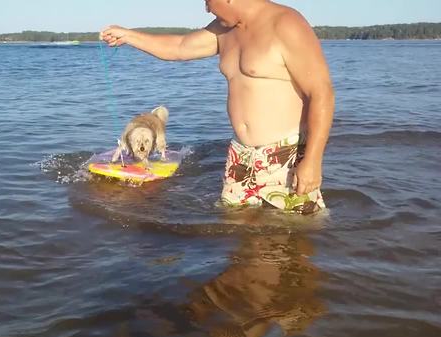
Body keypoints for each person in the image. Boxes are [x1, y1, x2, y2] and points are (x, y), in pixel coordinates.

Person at [100, 0, 335, 214]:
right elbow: (180, 47)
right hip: (240, 156)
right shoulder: (225, 30)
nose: (206, 8)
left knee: (296, 240)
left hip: (286, 156)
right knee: (238, 238)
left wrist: (313, 161)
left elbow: (321, 92)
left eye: (207, 1)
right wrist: (128, 36)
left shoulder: (286, 24)